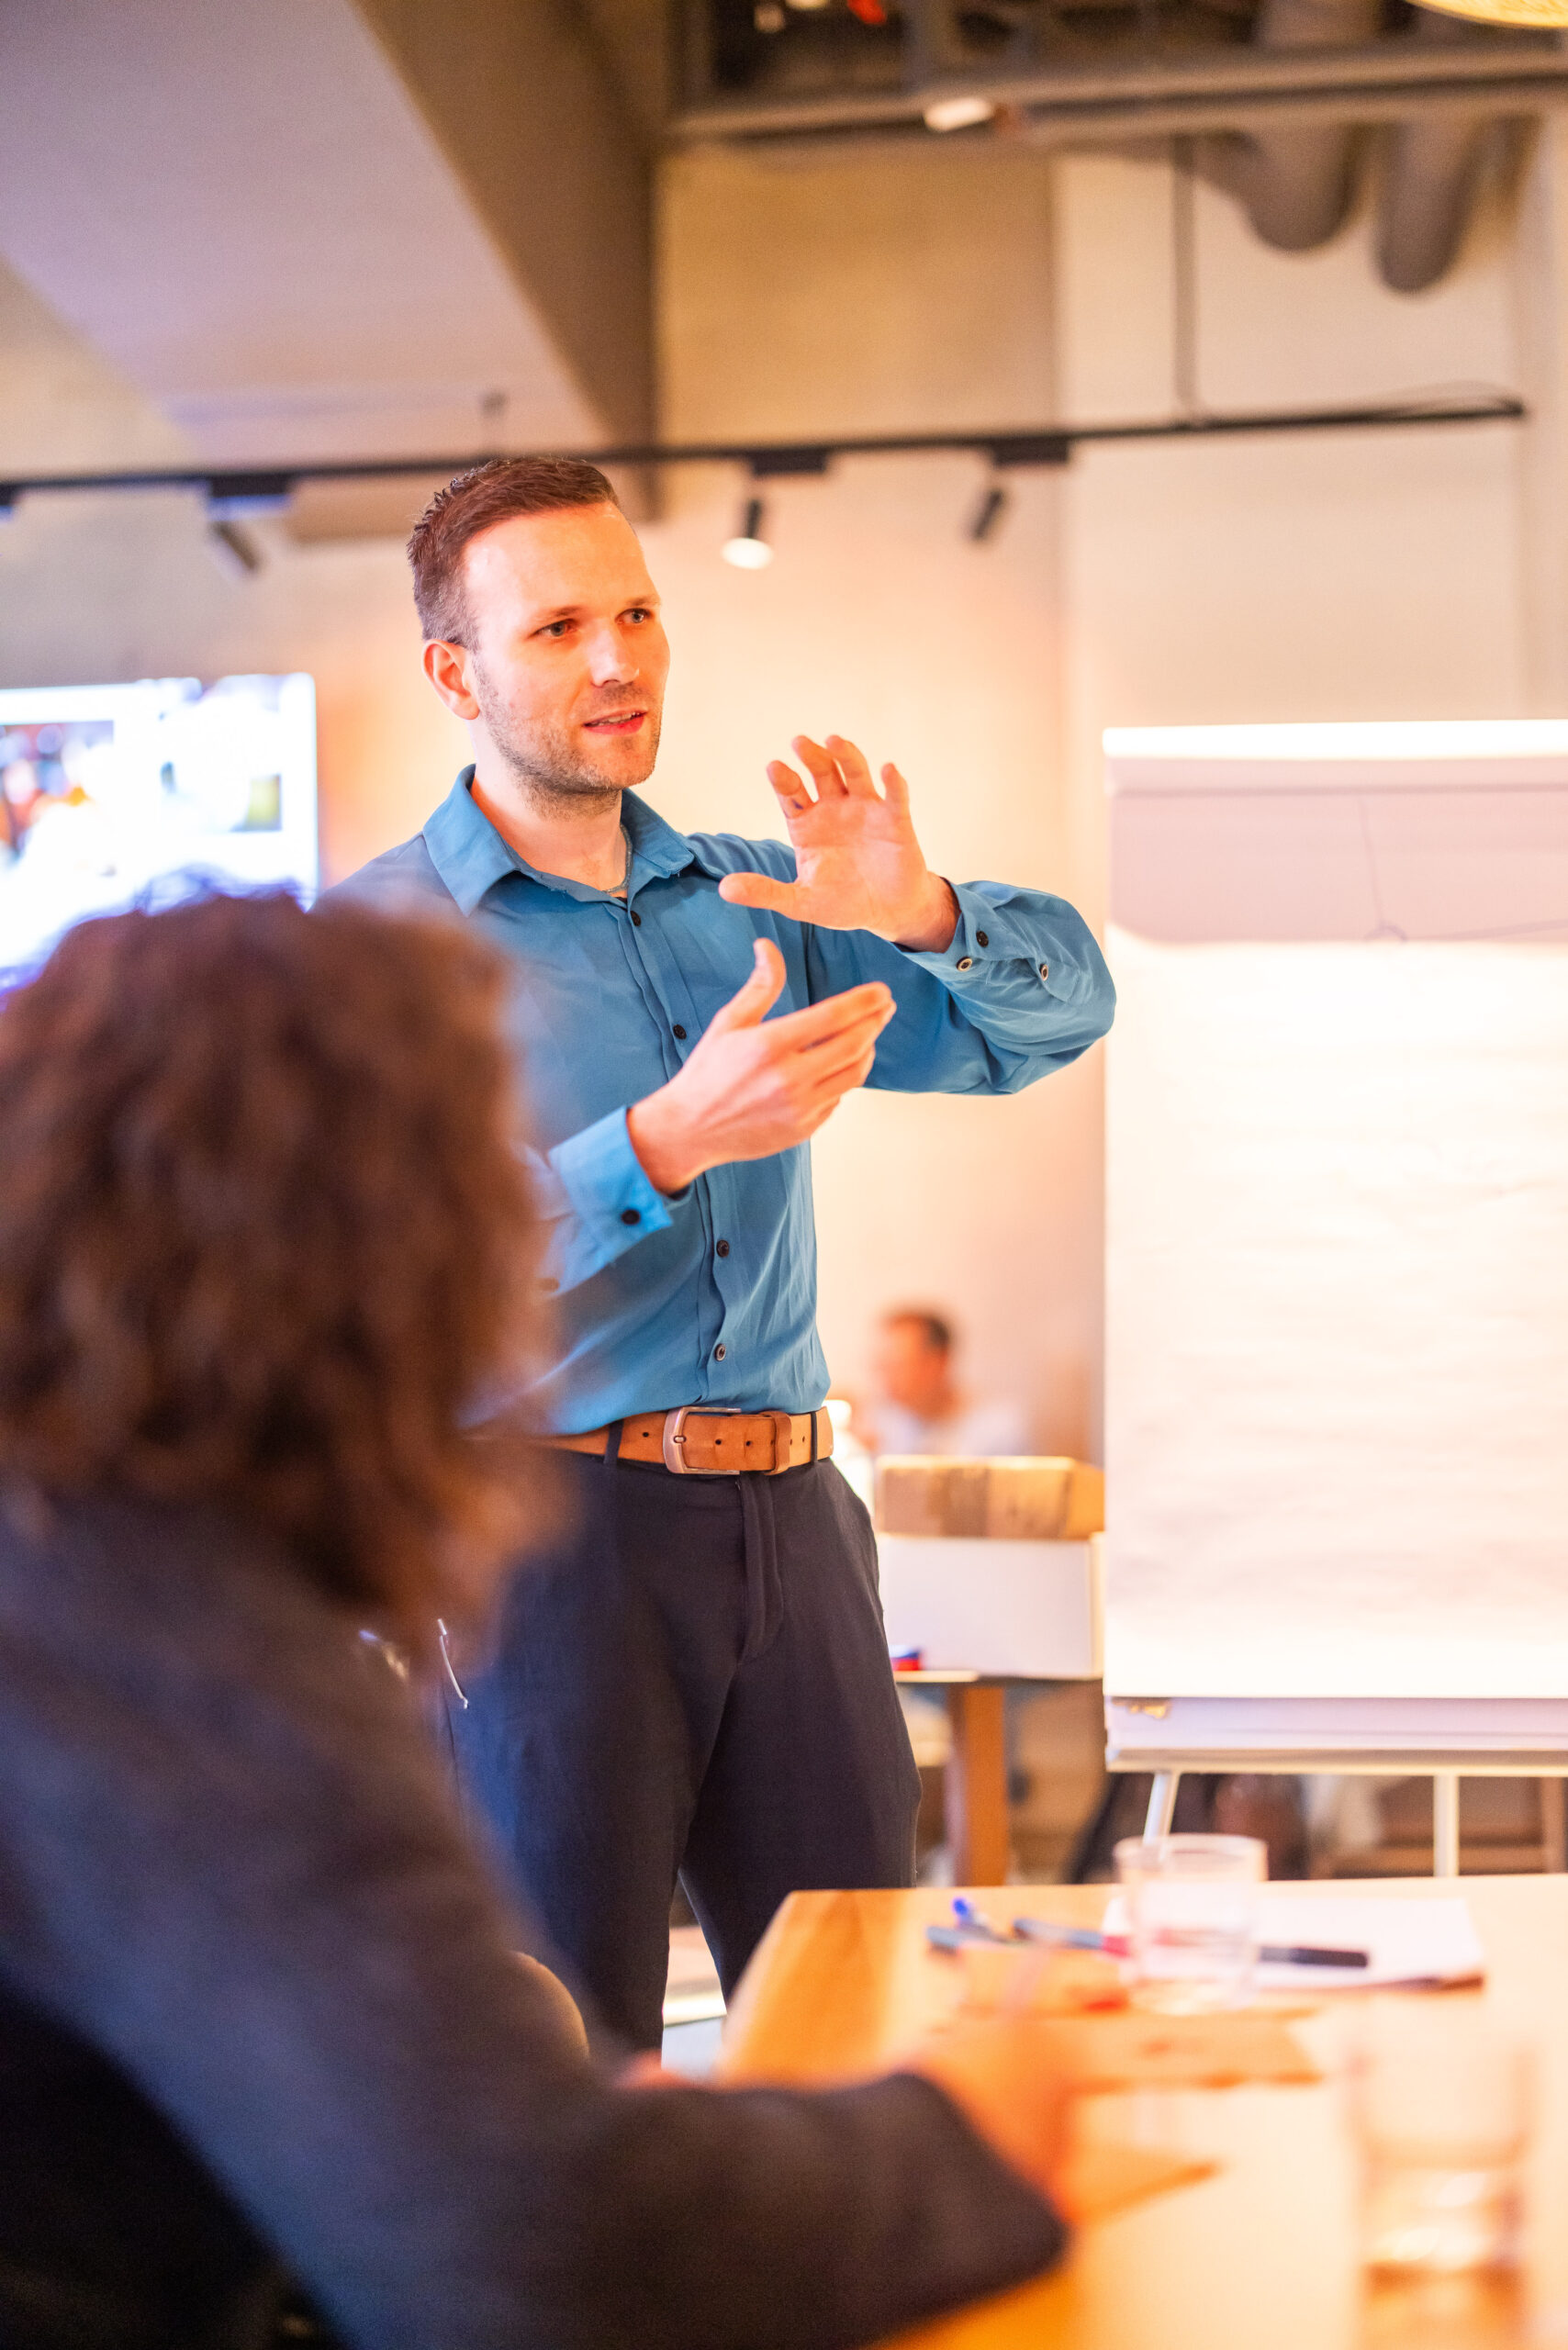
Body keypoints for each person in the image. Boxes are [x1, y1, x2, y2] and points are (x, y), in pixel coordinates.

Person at [0, 890, 1075, 2350]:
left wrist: (601, 2139)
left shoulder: (83, 1569)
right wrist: (964, 2131)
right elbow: (547, 2251)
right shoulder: (176, 1658)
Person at [334, 453, 1116, 2050]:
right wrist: (657, 1146)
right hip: (542, 1548)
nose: (615, 661)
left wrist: (922, 911)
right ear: (454, 675)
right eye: (556, 629)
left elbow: (1051, 1022)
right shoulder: (371, 948)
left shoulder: (752, 898)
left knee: (855, 2024)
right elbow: (377, 1279)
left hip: (796, 1525)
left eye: (634, 614)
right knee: (567, 2051)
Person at [857, 1305, 1031, 1457]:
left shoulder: (998, 1429)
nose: (885, 1377)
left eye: (897, 1365)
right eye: (882, 1365)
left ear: (939, 1361)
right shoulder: (878, 1426)